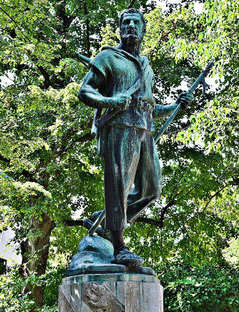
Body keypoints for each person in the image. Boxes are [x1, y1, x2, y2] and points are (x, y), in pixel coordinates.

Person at [78, 8, 193, 266]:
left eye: (135, 22)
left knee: (151, 189)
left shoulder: (145, 66)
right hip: (120, 128)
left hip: (145, 130)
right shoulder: (108, 57)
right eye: (126, 22)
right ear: (120, 28)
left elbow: (150, 107)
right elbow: (84, 91)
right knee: (118, 187)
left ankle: (106, 219)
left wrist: (176, 106)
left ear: (143, 29)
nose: (130, 26)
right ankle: (119, 246)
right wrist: (110, 100)